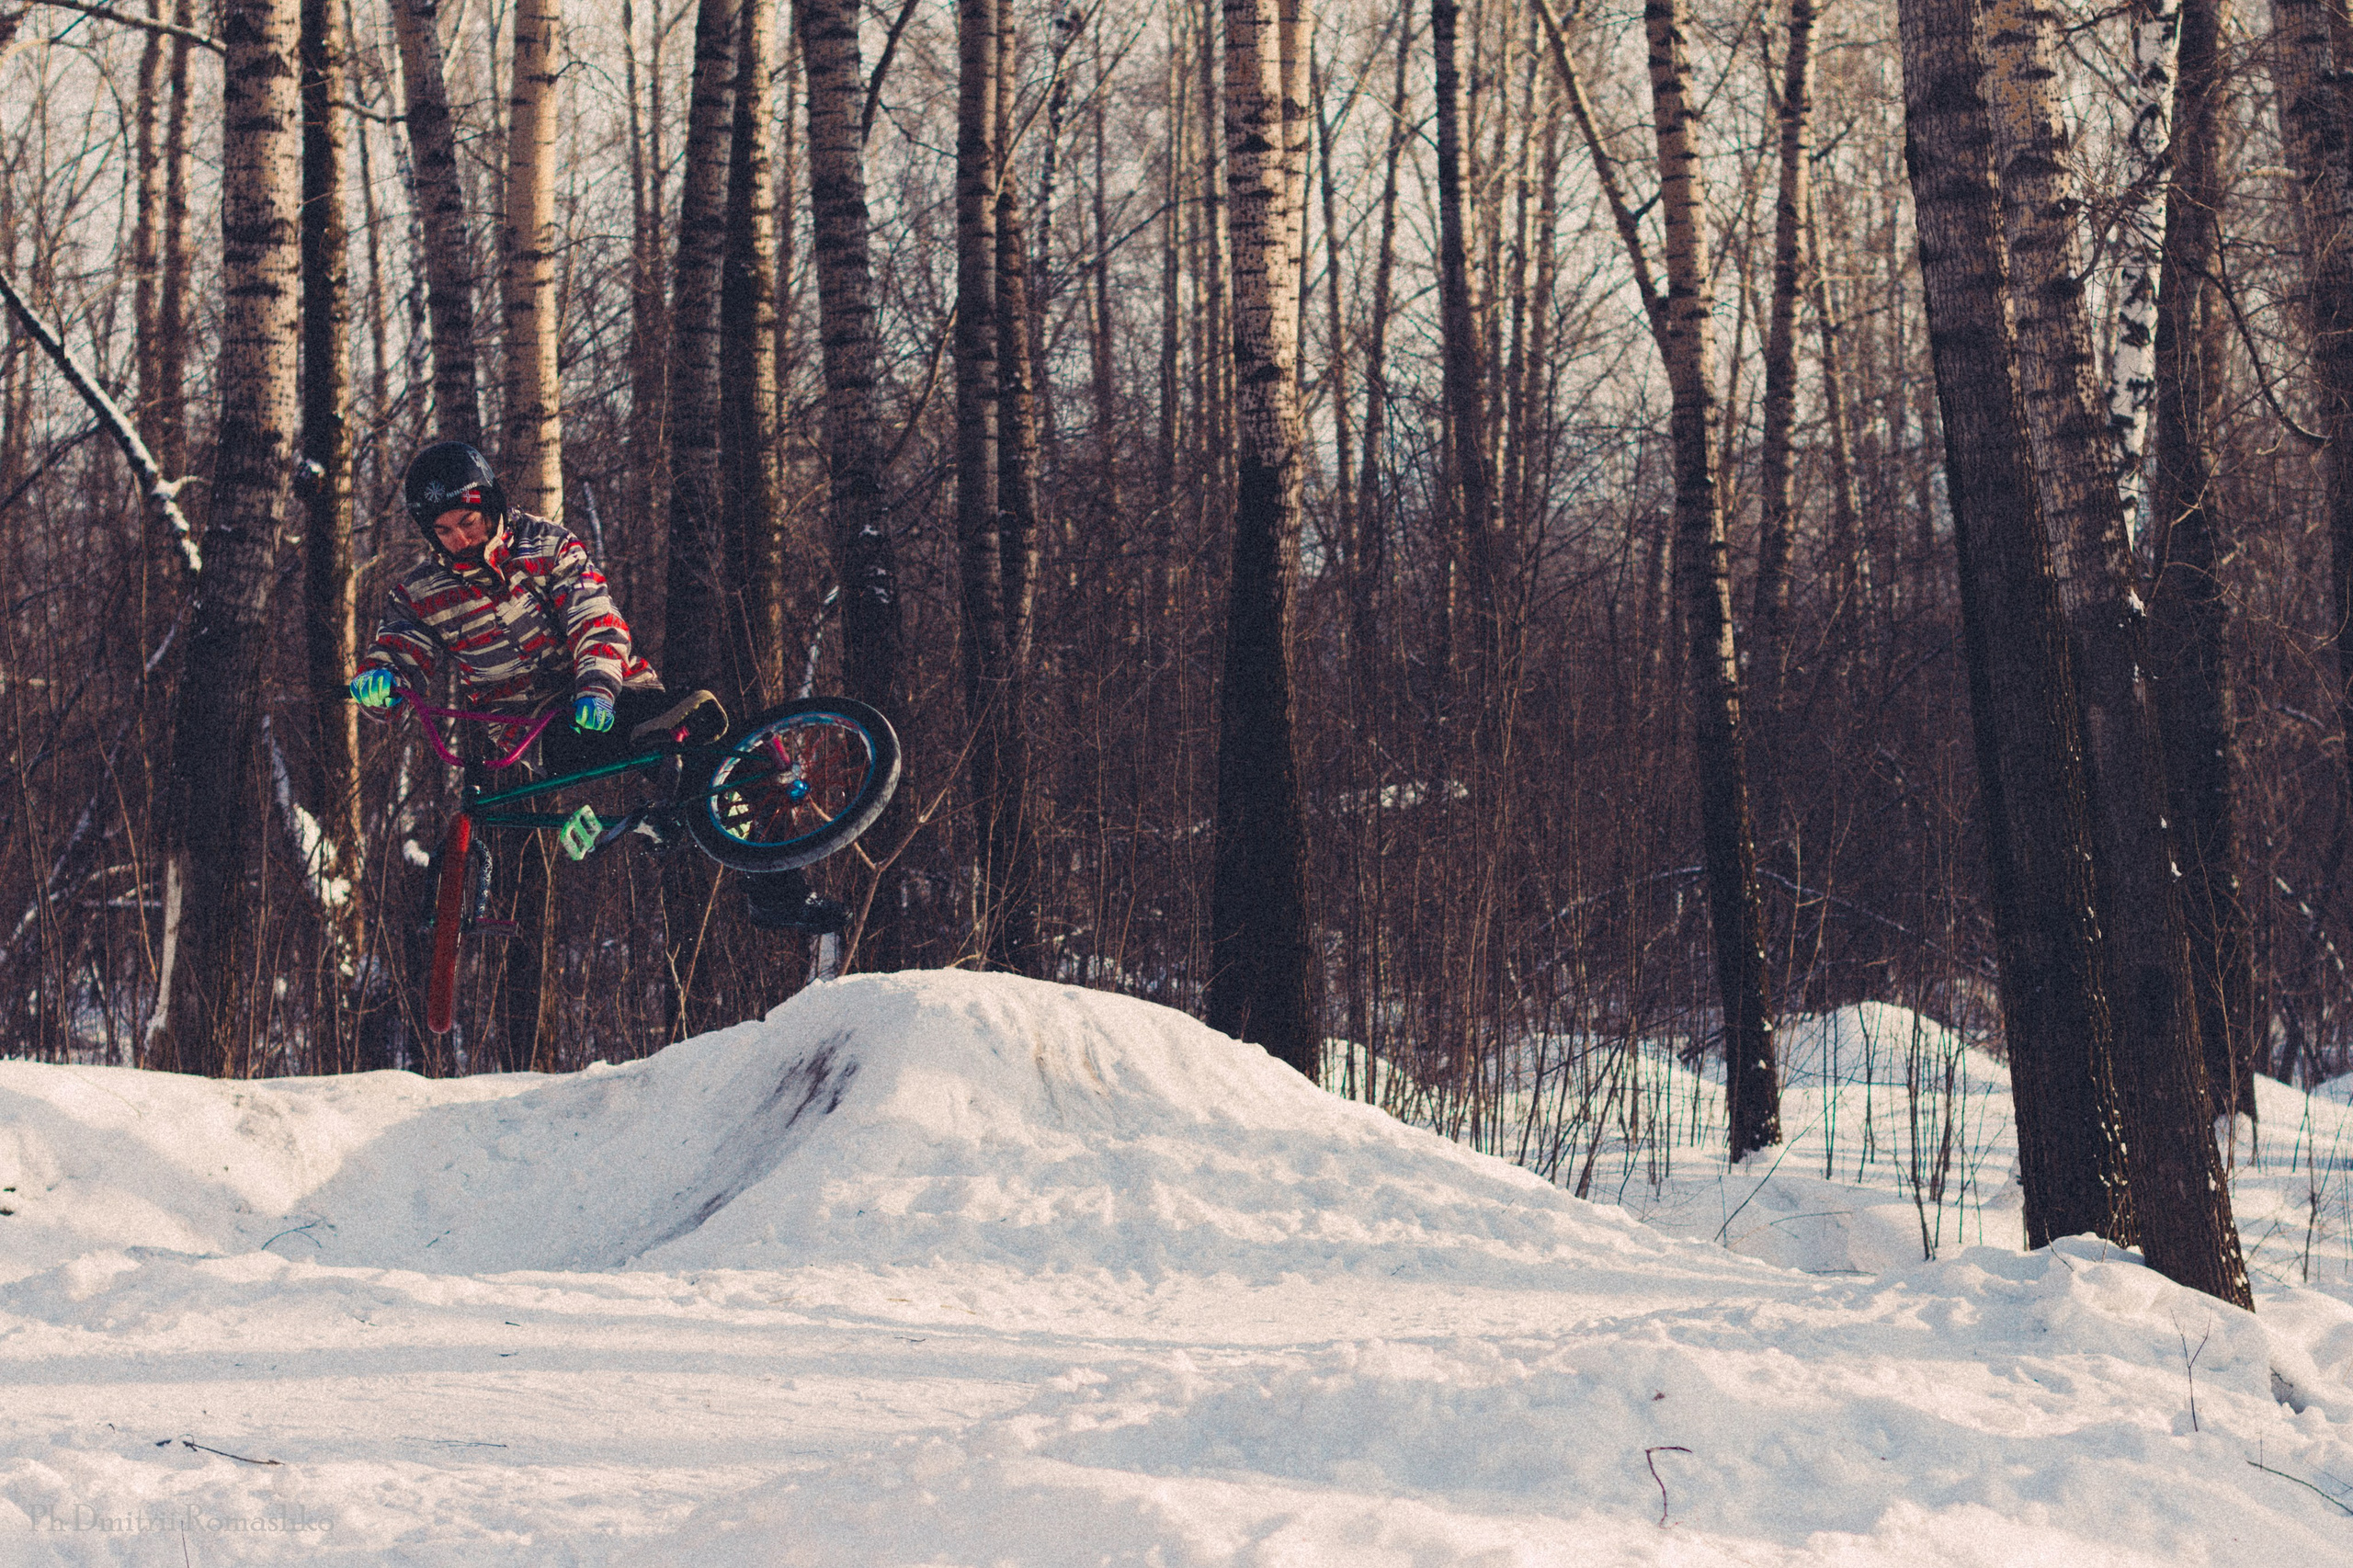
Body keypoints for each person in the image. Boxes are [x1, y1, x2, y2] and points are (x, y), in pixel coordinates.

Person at [347, 442, 845, 935]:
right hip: (537, 728)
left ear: (491, 504)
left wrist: (599, 687)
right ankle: (679, 804)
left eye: (468, 521)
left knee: (715, 736)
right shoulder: (420, 594)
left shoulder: (547, 546)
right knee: (671, 739)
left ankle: (775, 892)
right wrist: (384, 682)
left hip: (617, 692)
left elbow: (594, 619)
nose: (459, 538)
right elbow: (401, 647)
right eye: (444, 532)